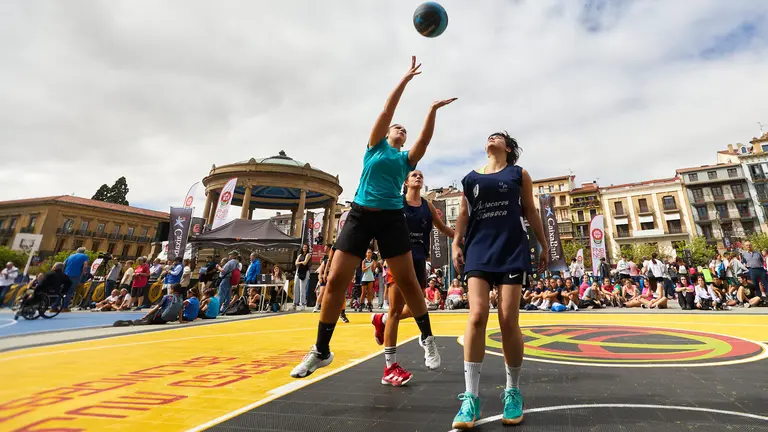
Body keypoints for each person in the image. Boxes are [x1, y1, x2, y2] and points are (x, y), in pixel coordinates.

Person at [290, 56, 456, 379]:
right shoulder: (374, 147)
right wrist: (405, 80)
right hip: (361, 213)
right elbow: (385, 112)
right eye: (398, 127)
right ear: (386, 133)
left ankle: (427, 338)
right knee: (337, 280)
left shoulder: (405, 160)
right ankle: (321, 351)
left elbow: (423, 140)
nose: (401, 129)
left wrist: (432, 110)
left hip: (392, 217)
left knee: (409, 283)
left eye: (403, 130)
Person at [451, 131, 547, 429]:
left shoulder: (519, 174)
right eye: (489, 136)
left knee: (508, 320)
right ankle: (470, 398)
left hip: (511, 248)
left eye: (498, 137)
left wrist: (542, 244)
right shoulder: (469, 178)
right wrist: (456, 243)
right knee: (477, 315)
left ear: (508, 148)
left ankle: (513, 392)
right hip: (478, 248)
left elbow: (530, 210)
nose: (491, 138)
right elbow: (464, 214)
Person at [368, 168, 456, 384]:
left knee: (419, 307)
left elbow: (443, 227)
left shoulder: (427, 205)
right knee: (397, 311)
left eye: (421, 175)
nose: (418, 176)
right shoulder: (397, 203)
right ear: (406, 182)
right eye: (414, 175)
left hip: (419, 261)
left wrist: (463, 238)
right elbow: (382, 230)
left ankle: (382, 320)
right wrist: (384, 255)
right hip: (399, 259)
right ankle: (390, 367)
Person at [113, 283, 185, 326]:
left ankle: (130, 322)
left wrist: (146, 315)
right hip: (165, 320)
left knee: (144, 321)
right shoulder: (181, 299)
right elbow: (180, 311)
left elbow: (156, 307)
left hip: (158, 317)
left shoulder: (167, 297)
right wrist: (181, 321)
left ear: (172, 290)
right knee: (149, 321)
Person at [313, 245, 332, 313]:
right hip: (324, 278)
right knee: (321, 292)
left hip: (331, 279)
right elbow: (320, 270)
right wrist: (320, 277)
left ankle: (328, 306)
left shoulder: (335, 262)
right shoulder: (325, 261)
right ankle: (316, 306)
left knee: (330, 294)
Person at [360, 248, 376, 312]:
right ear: (366, 254)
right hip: (365, 278)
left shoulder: (373, 261)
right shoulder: (364, 261)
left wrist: (373, 266)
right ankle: (361, 304)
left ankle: (369, 304)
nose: (369, 254)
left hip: (370, 278)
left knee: (370, 292)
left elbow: (372, 271)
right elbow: (363, 270)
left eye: (370, 252)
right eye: (368, 252)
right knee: (363, 293)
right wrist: (370, 265)